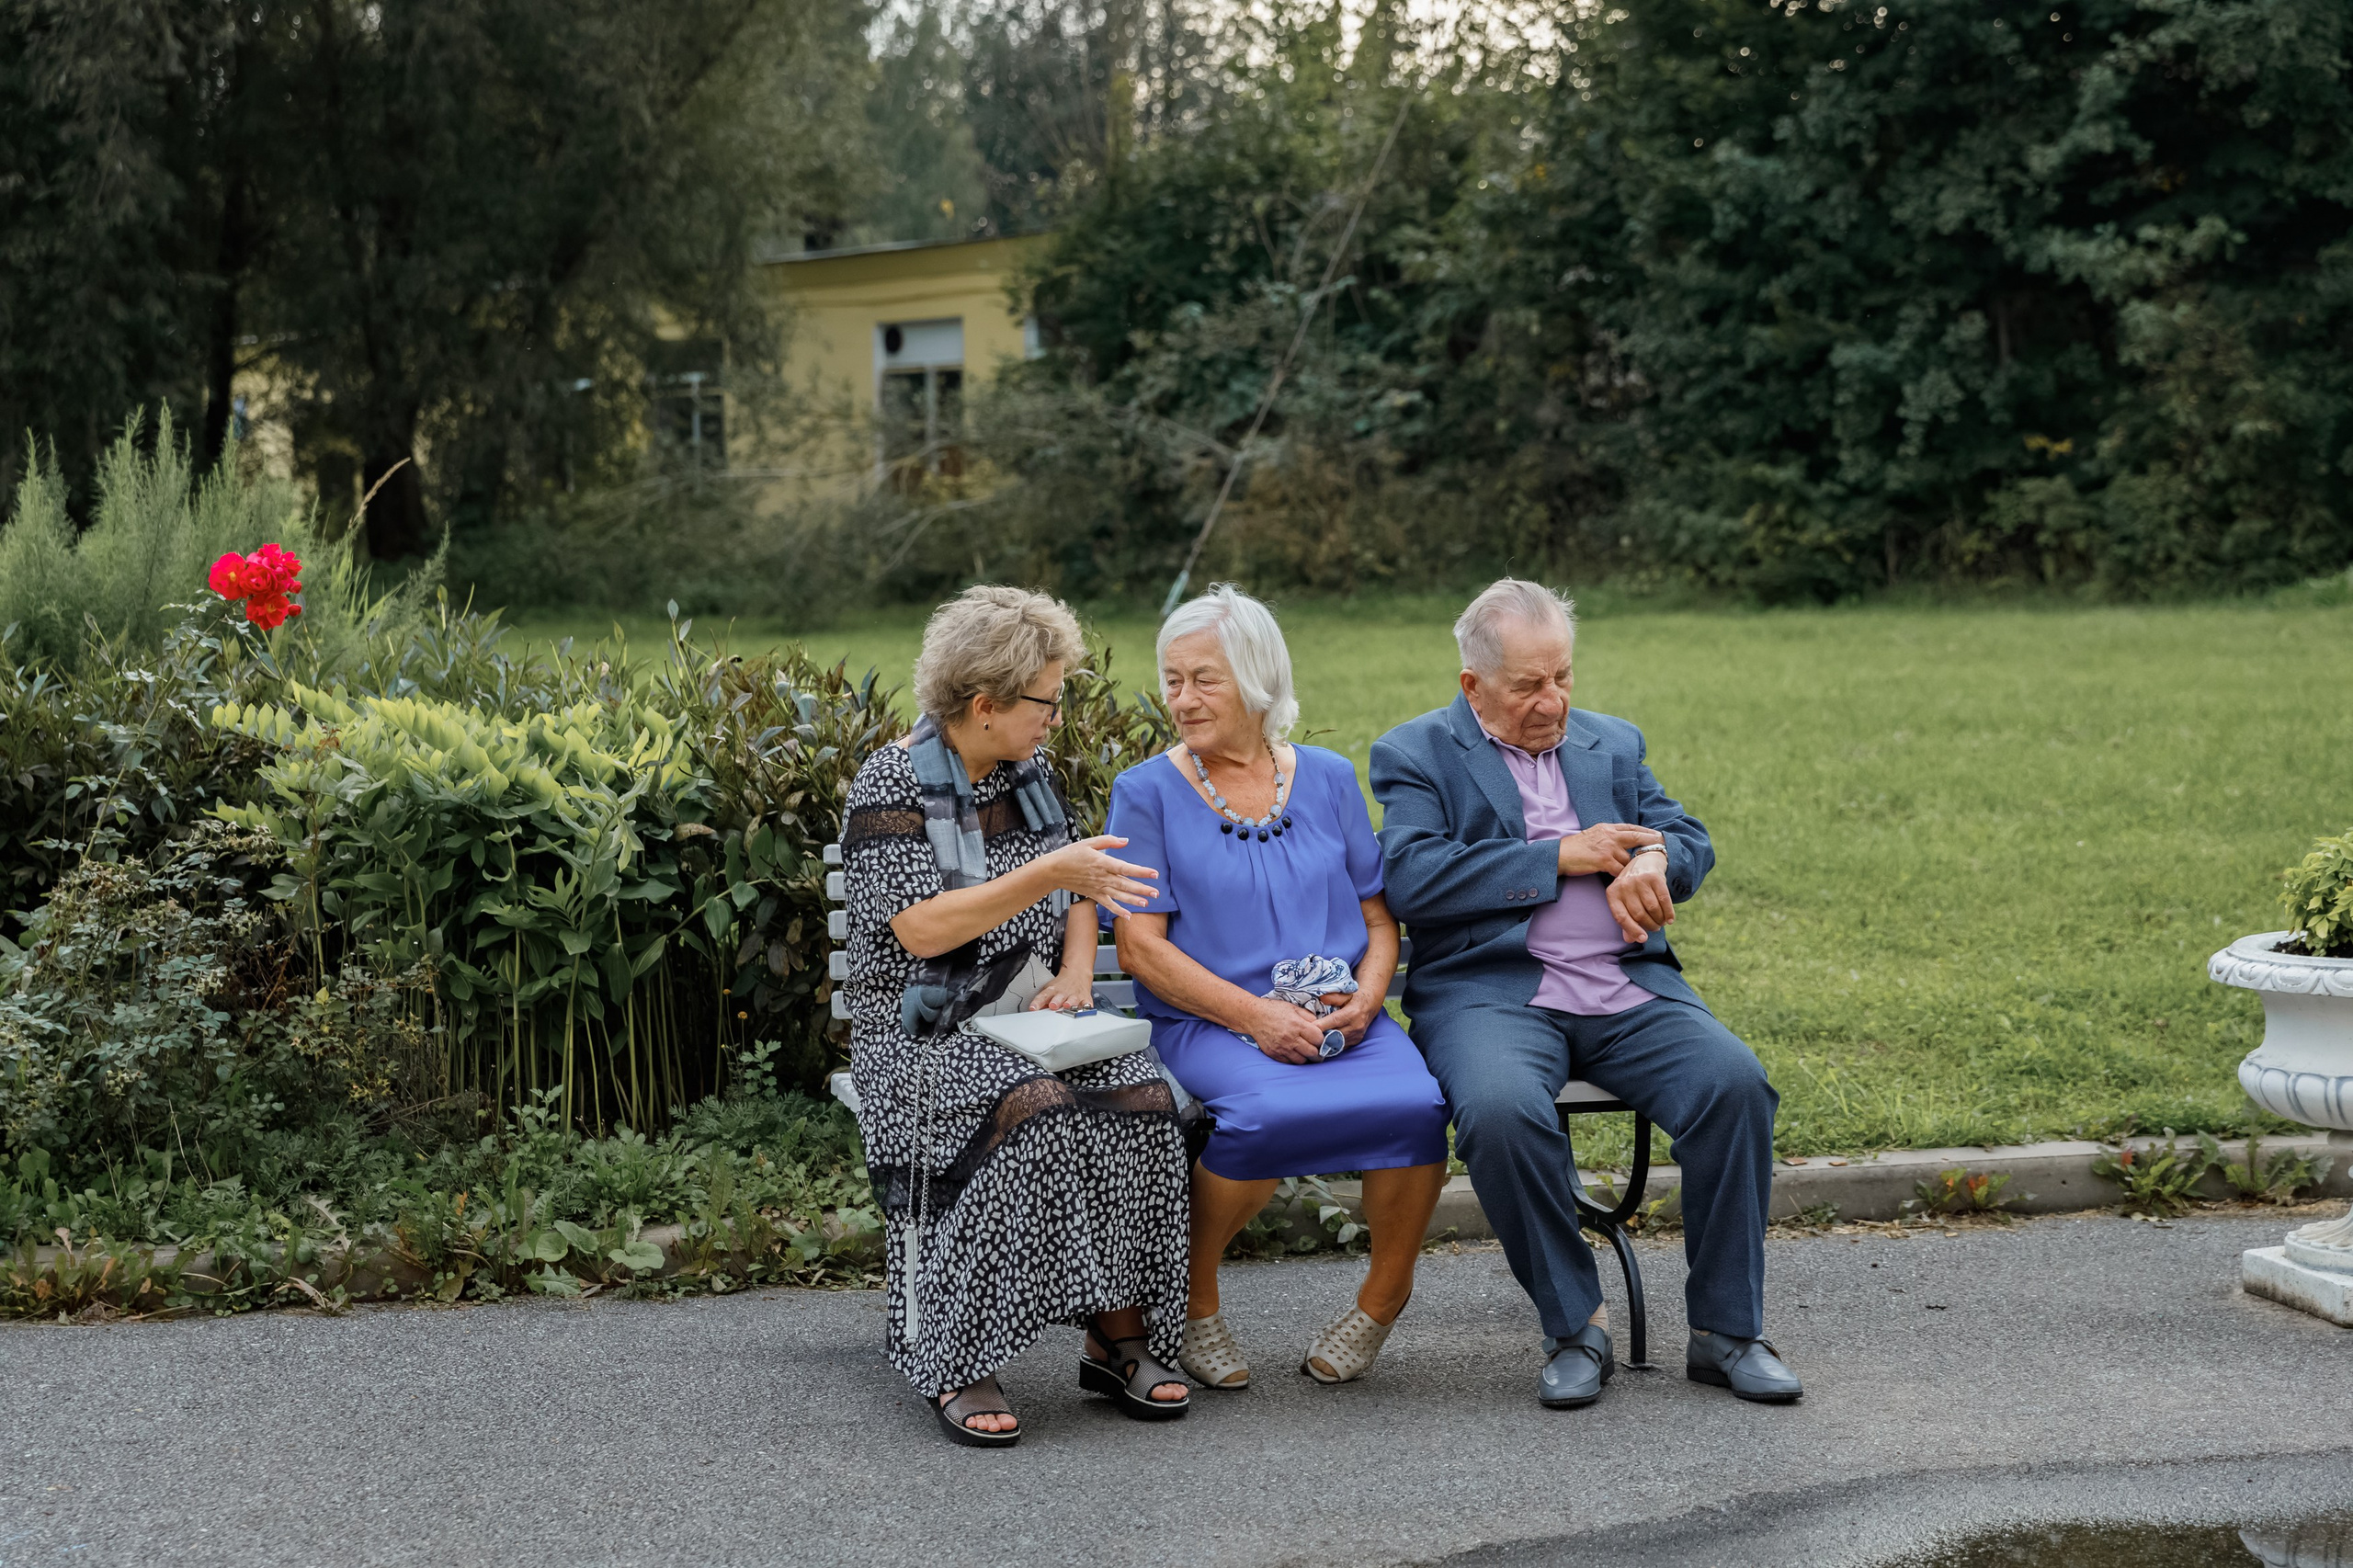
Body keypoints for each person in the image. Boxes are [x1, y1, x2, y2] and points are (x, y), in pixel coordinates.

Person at [1370, 579, 1802, 1409]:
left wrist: (1651, 861)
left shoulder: (1612, 744)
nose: (1553, 700)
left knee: (1734, 1085)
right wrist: (1560, 856)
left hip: (1624, 983)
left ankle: (1726, 1331)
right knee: (1497, 1112)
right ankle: (1577, 1326)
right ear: (1473, 686)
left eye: (1562, 677)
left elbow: (1687, 839)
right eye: (1529, 684)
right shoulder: (1418, 752)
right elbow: (1412, 876)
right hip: (1490, 996)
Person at [840, 585, 1192, 1448]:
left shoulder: (1025, 774)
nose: (1056, 717)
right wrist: (1046, 877)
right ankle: (957, 1354)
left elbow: (1083, 885)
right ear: (985, 704)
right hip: (923, 1033)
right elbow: (922, 929)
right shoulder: (890, 782)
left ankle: (1115, 1334)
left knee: (1146, 1100)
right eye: (1046, 699)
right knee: (1033, 1110)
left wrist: (1077, 970)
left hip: (1029, 1013)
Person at [1105, 585, 1449, 1390]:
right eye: (1173, 679)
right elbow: (1142, 947)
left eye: (1203, 680)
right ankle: (1195, 1305)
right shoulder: (1146, 792)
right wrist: (1255, 1016)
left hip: (1343, 1016)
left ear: (1257, 681)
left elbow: (1377, 918)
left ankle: (1383, 1297)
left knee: (1419, 1106)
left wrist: (1369, 998)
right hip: (1212, 1021)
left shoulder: (1327, 777)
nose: (1181, 699)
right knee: (1264, 1114)